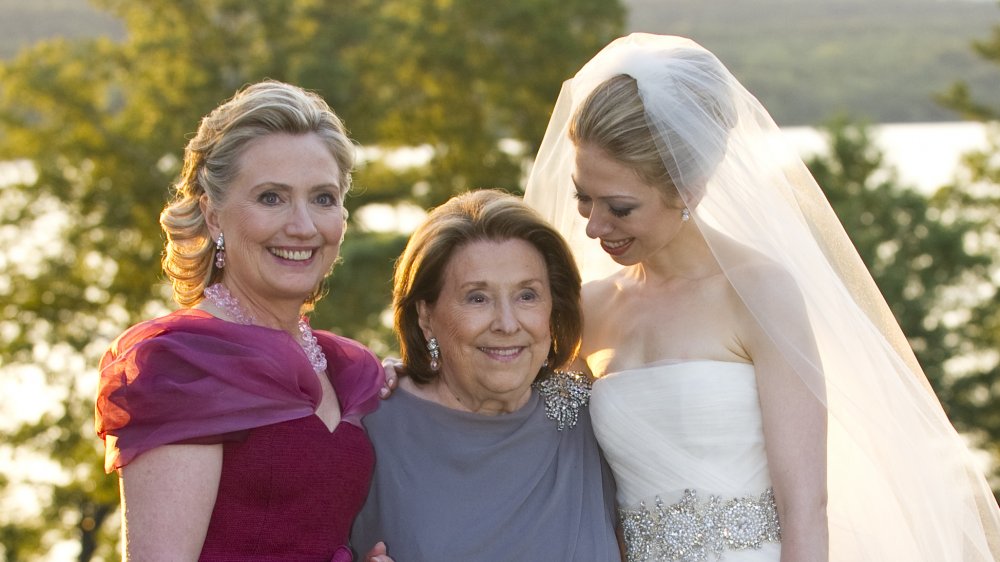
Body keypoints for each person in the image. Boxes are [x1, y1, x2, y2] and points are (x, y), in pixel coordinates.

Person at [524, 33, 1000, 561]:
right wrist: (418, 375)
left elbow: (806, 509)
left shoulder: (758, 291)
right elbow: (507, 411)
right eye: (583, 198)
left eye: (620, 207)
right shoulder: (589, 309)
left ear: (687, 187)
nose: (592, 227)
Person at [95, 80, 392, 561]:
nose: (303, 226)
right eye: (272, 198)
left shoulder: (349, 369)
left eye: (323, 198)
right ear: (213, 216)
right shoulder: (184, 363)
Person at [350, 189, 620, 561]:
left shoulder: (595, 417)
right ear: (425, 315)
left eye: (527, 295)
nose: (507, 324)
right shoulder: (369, 424)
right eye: (477, 298)